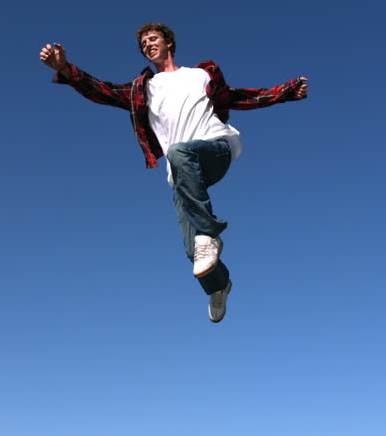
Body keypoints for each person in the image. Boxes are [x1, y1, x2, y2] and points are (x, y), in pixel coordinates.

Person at [39, 23, 308, 323]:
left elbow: (240, 97)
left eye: (153, 39)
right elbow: (102, 90)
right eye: (143, 43)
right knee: (195, 254)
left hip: (216, 148)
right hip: (181, 171)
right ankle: (219, 286)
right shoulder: (144, 88)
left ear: (169, 43)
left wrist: (285, 93)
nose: (148, 45)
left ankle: (210, 235)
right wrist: (65, 68)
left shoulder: (200, 75)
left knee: (180, 153)